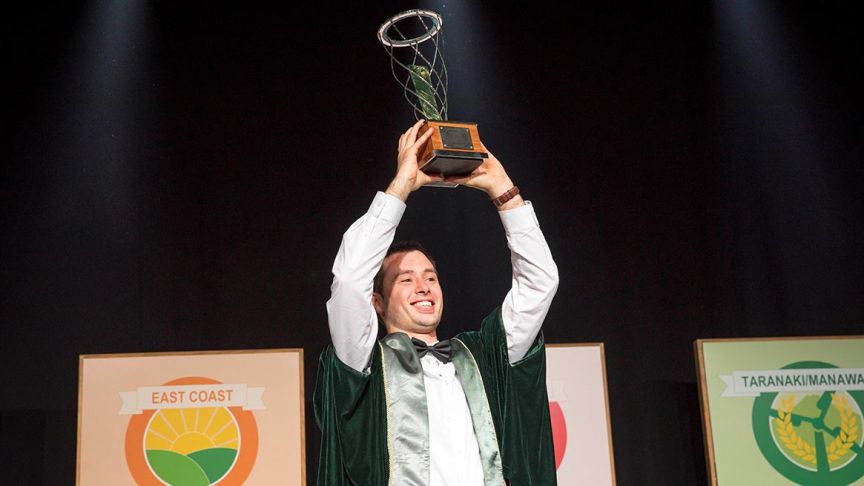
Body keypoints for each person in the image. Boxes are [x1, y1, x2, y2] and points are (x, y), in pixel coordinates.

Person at [314, 120, 560, 485]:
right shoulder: (363, 365)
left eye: (430, 277)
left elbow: (541, 283)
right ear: (377, 302)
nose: (424, 286)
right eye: (406, 279)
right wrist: (401, 187)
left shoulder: (484, 356)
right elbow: (350, 283)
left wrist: (502, 189)